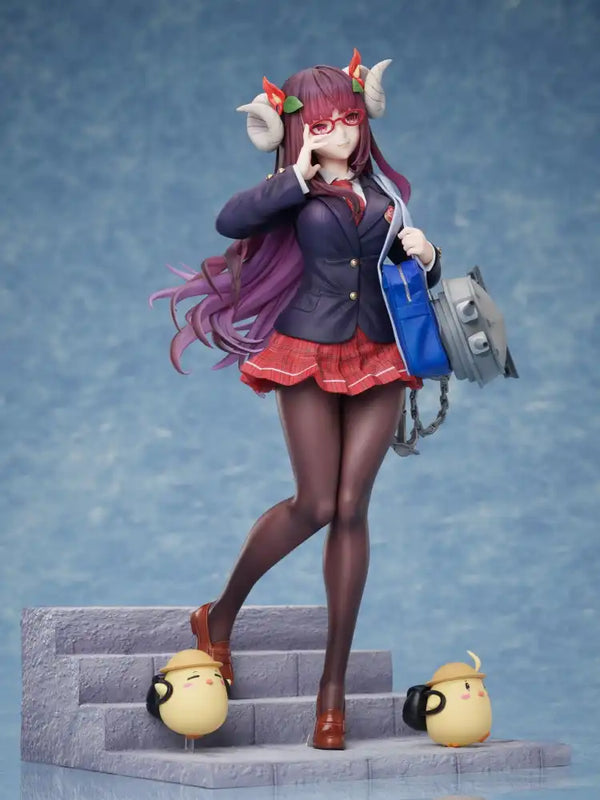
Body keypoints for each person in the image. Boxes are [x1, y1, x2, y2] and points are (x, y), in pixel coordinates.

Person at [150, 49, 442, 750]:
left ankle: (331, 689)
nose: (338, 131)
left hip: (379, 353)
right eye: (320, 122)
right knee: (315, 503)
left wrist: (427, 259)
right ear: (298, 129)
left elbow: (401, 277)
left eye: (347, 117)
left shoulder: (387, 194)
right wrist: (294, 175)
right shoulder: (292, 190)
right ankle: (219, 616)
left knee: (352, 507)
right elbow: (230, 220)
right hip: (308, 349)